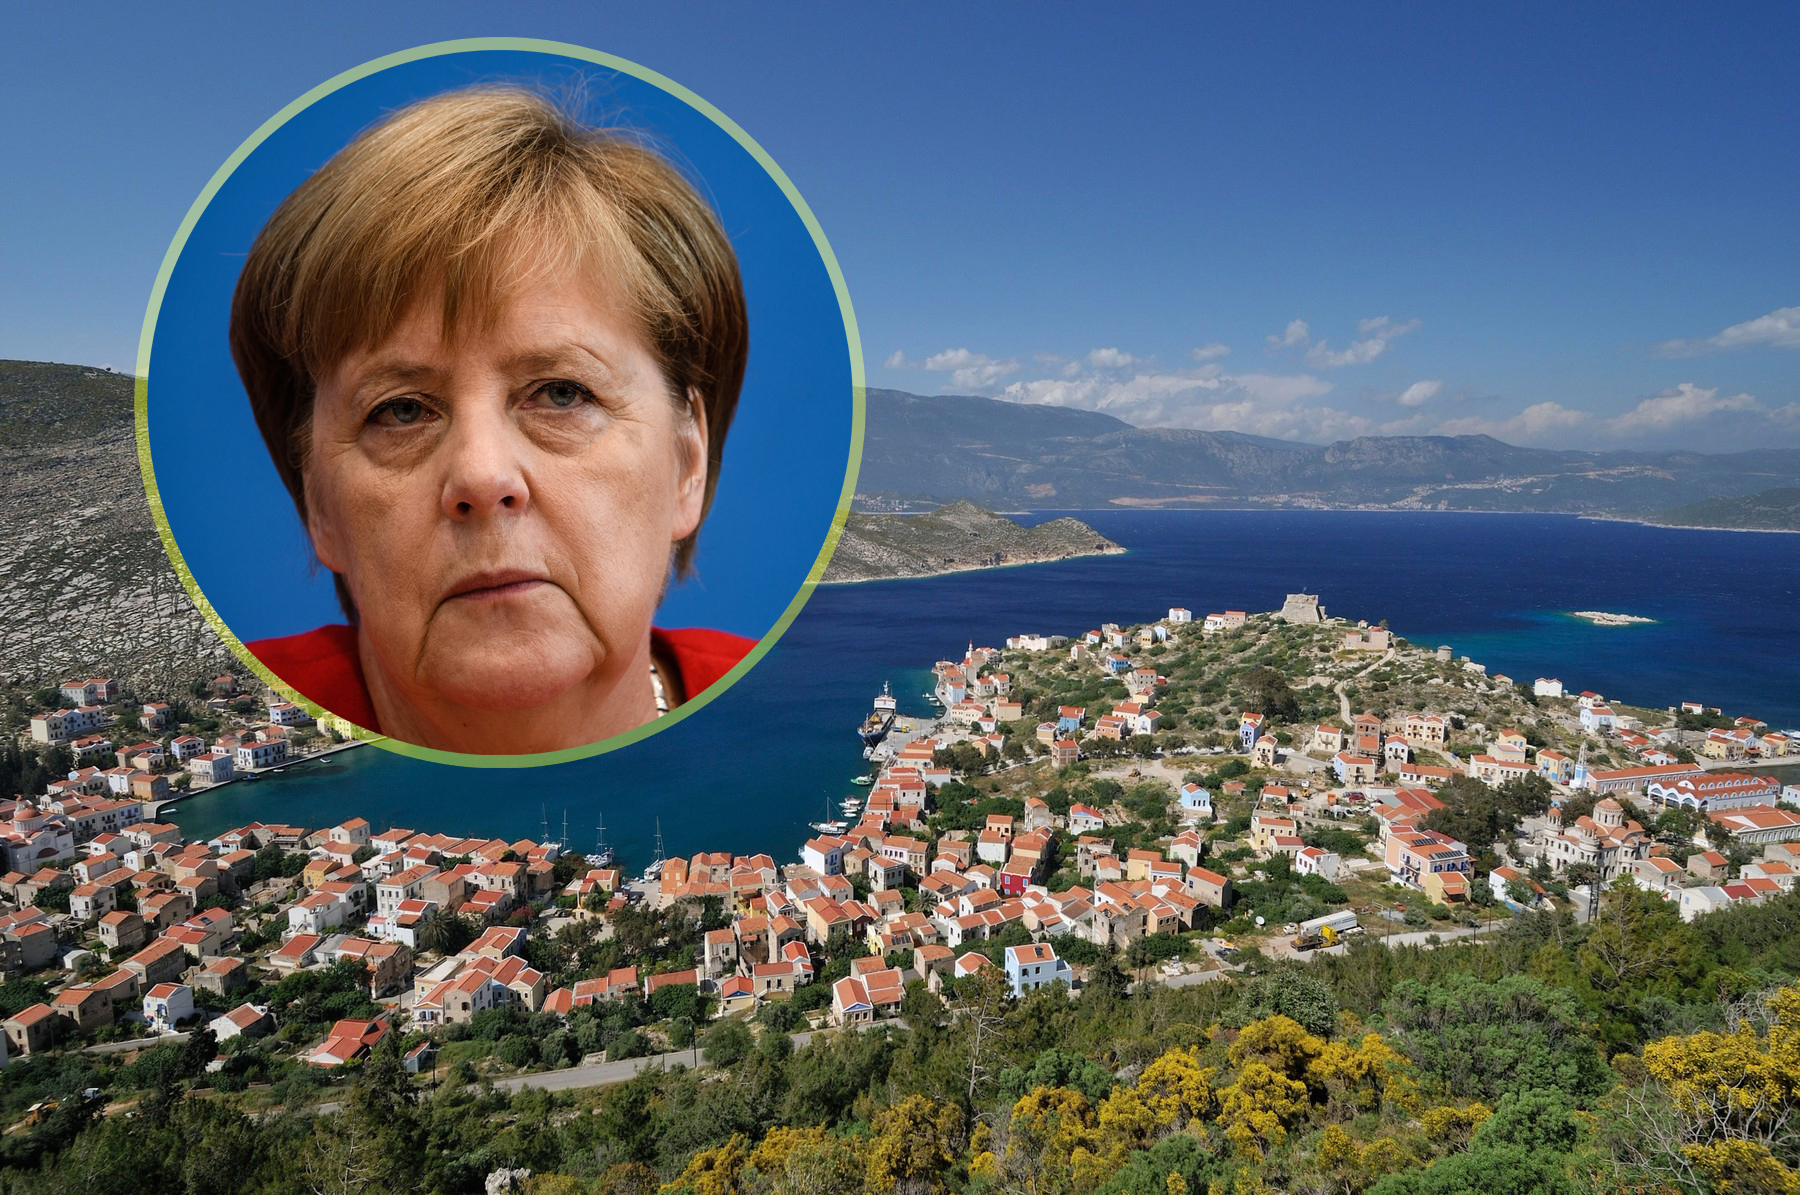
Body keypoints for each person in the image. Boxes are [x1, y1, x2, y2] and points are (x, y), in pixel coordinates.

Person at [229, 84, 754, 754]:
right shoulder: (247, 716)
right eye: (402, 410)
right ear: (317, 504)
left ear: (686, 463)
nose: (481, 474)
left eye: (562, 393)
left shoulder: (792, 710)